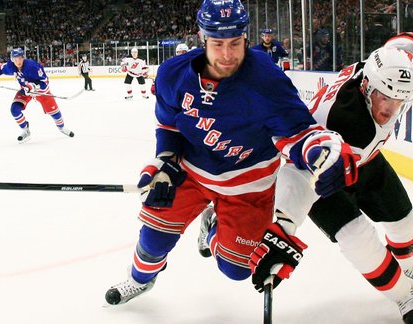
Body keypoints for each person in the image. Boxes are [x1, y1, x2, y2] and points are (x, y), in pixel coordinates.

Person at [104, 0, 355, 307]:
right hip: (192, 172)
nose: (227, 54)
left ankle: (210, 226)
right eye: (217, 43)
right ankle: (139, 280)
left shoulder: (266, 78)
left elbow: (298, 132)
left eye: (235, 43)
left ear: (245, 37)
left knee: (235, 269)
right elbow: (169, 126)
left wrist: (323, 150)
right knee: (153, 239)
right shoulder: (174, 74)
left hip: (250, 184)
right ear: (202, 37)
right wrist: (165, 162)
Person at [249, 32, 413, 324]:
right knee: (360, 242)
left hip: (365, 161)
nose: (389, 109)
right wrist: (285, 226)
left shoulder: (392, 68)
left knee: (405, 220)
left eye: (399, 100)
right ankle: (403, 294)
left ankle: (408, 265)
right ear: (366, 87)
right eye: (384, 97)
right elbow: (297, 171)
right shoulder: (340, 119)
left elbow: (409, 43)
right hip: (323, 178)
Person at [0, 48, 75, 144]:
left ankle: (61, 127)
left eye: (20, 58)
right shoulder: (11, 66)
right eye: (15, 59)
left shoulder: (33, 66)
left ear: (23, 57)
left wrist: (33, 86)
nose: (18, 61)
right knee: (14, 109)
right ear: (12, 59)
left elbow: (45, 82)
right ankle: (25, 129)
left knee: (54, 113)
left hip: (40, 92)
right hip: (25, 91)